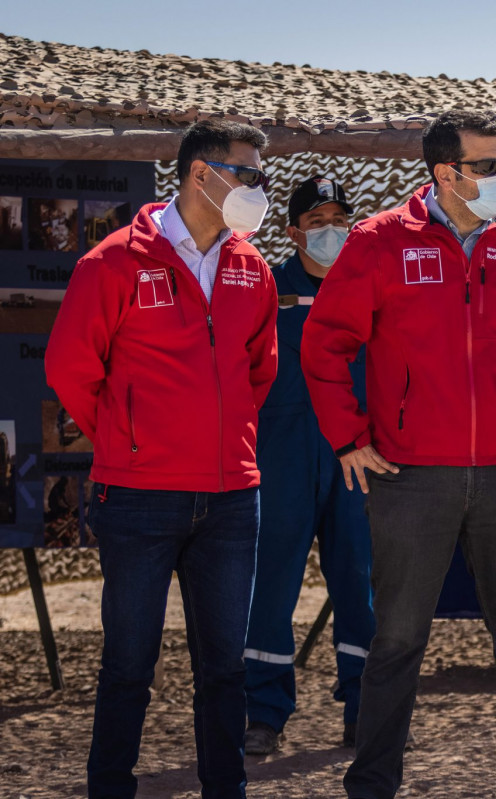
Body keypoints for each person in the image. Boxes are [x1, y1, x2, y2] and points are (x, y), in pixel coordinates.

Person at [301, 110, 496, 799]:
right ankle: (371, 783)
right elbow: (324, 343)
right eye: (489, 165)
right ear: (445, 173)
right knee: (396, 640)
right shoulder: (377, 243)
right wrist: (349, 437)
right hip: (409, 477)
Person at [45, 119, 278, 799]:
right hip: (139, 496)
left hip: (232, 499)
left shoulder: (251, 267)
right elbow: (69, 370)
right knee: (127, 665)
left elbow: (258, 372)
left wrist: (223, 441)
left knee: (224, 670)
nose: (259, 189)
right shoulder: (112, 261)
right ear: (201, 174)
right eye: (250, 174)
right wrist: (129, 439)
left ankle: (224, 789)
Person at [242, 176, 376, 755]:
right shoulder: (266, 288)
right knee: (271, 585)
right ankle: (265, 713)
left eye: (339, 219)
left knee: (360, 584)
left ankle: (364, 706)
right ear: (292, 230)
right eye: (317, 221)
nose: (331, 230)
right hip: (284, 455)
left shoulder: (373, 286)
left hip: (358, 457)